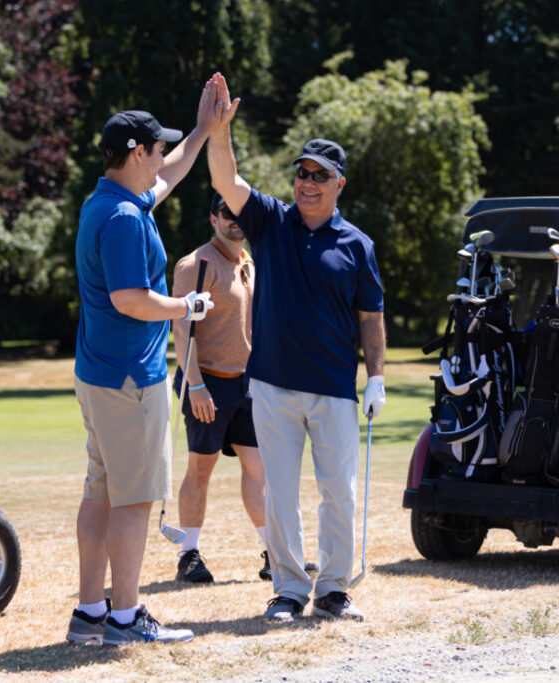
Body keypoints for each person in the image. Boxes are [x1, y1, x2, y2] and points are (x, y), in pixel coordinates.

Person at [206, 74, 387, 623]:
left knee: (340, 493)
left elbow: (371, 318)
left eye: (319, 176)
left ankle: (333, 589)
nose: (306, 183)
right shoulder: (269, 219)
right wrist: (218, 131)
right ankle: (287, 589)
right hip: (272, 384)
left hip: (334, 388)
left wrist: (375, 376)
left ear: (339, 184)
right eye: (301, 173)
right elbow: (226, 176)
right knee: (279, 492)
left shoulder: (358, 245)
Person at [66, 78, 219, 647]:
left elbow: (172, 175)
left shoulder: (108, 201)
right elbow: (131, 298)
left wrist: (204, 130)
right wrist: (189, 304)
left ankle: (89, 612)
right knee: (133, 499)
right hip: (132, 378)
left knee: (101, 492)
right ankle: (126, 619)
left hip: (99, 373)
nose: (161, 158)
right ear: (136, 153)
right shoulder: (127, 219)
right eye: (155, 149)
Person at [171, 193, 320, 585]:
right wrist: (196, 386)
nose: (235, 219)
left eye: (239, 213)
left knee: (259, 469)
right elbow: (182, 329)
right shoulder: (196, 264)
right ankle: (189, 555)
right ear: (213, 219)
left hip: (248, 384)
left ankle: (274, 554)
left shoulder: (250, 263)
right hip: (206, 381)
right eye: (226, 213)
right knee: (201, 469)